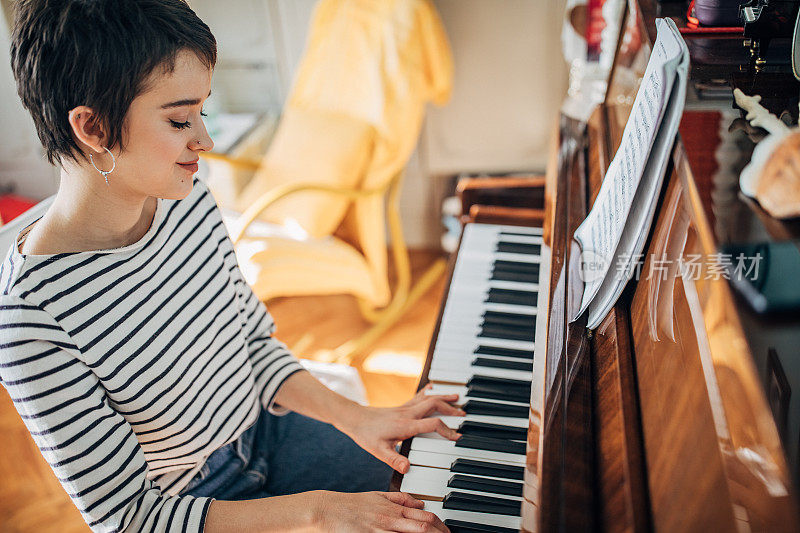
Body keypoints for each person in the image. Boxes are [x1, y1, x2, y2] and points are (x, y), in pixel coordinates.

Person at [0, 1, 461, 531]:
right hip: (194, 505)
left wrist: (360, 418)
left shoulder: (188, 198)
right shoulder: (31, 320)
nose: (205, 141)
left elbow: (252, 342)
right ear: (94, 127)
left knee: (442, 499)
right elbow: (129, 519)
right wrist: (319, 512)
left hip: (272, 431)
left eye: (201, 111)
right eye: (179, 119)